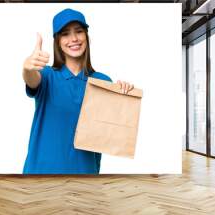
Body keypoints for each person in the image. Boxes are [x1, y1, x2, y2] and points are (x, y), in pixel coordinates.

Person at [22, 8, 134, 174]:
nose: (74, 38)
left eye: (79, 32)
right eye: (65, 34)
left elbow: (112, 132)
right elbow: (32, 79)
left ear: (86, 37)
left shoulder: (103, 82)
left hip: (85, 175)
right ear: (58, 41)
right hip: (42, 173)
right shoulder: (46, 76)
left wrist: (124, 98)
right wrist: (27, 68)